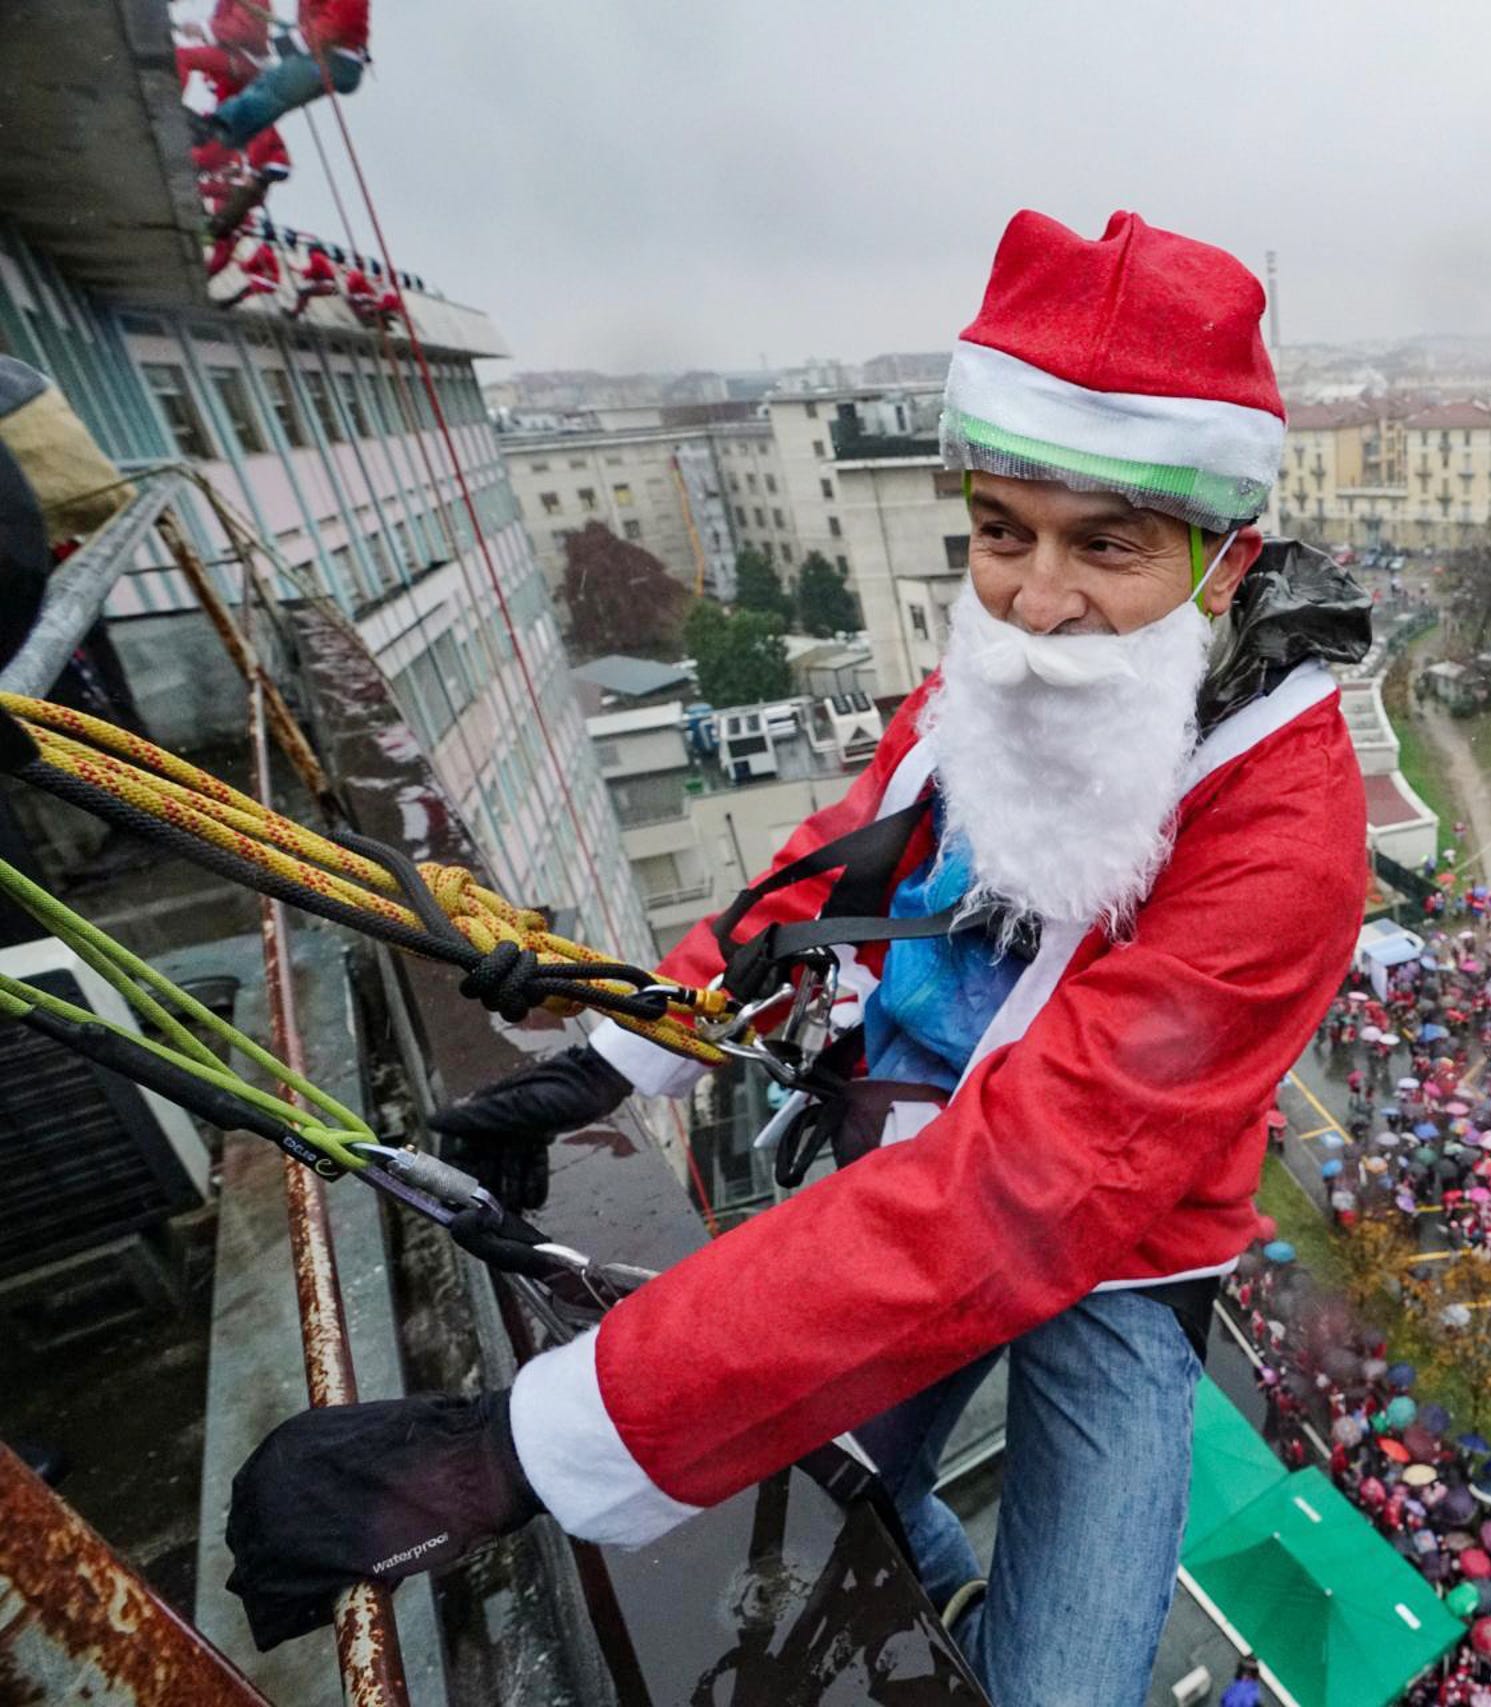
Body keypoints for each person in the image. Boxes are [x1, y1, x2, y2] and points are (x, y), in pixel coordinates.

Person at [222, 210, 1373, 1707]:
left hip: (1114, 1246)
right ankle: (932, 1570)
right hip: (910, 1158)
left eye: (1107, 544)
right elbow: (836, 860)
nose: (1033, 598)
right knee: (839, 1503)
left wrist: (523, 1439)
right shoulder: (1010, 673)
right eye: (1002, 530)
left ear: (1224, 561)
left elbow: (1032, 1189)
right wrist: (605, 1054)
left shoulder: (1289, 832)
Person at [200, 0, 368, 149]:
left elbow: (337, 24)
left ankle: (222, 124)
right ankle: (227, 134)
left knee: (279, 84)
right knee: (269, 86)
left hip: (339, 61)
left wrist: (295, 41)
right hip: (324, 56)